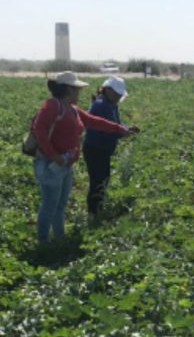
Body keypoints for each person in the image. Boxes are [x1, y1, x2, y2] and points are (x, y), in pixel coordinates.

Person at [32, 71, 134, 243]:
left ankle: (59, 238)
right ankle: (42, 243)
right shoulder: (52, 106)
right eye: (76, 89)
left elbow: (94, 121)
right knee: (50, 205)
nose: (79, 93)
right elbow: (39, 130)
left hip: (65, 165)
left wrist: (120, 129)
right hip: (51, 165)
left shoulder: (72, 109)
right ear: (67, 90)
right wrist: (54, 156)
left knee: (60, 205)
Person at [83, 76, 140, 219]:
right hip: (96, 148)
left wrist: (126, 128)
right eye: (116, 94)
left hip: (103, 149)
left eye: (120, 95)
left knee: (103, 179)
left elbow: (115, 125)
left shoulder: (111, 104)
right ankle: (93, 213)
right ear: (107, 90)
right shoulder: (101, 105)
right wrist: (122, 133)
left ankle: (97, 209)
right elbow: (106, 130)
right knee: (97, 181)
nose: (118, 97)